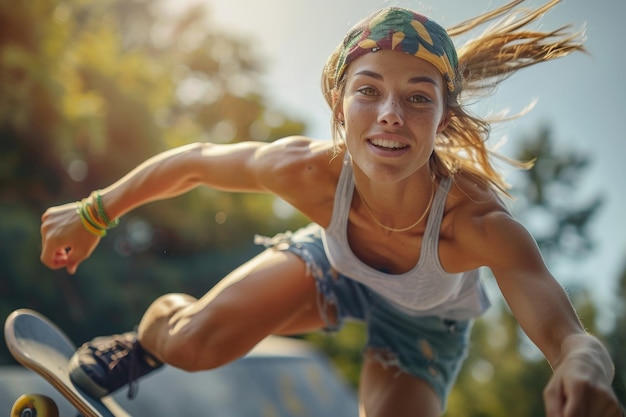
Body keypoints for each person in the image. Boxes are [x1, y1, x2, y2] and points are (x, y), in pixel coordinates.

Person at [39, 2, 622, 416]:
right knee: (193, 345)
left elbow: (570, 337)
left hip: (424, 327)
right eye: (368, 90)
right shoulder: (307, 170)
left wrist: (583, 367)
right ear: (340, 108)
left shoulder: (477, 224)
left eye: (418, 97)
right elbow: (194, 160)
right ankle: (149, 338)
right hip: (332, 270)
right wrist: (93, 212)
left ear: (442, 119)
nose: (390, 113)